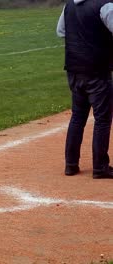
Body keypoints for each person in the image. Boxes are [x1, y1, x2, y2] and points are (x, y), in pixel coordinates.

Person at [56, 0, 113, 179]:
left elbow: (61, 32)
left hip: (74, 69)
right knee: (102, 119)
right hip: (97, 69)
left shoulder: (69, 5)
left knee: (78, 116)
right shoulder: (105, 5)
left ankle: (71, 164)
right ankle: (100, 167)